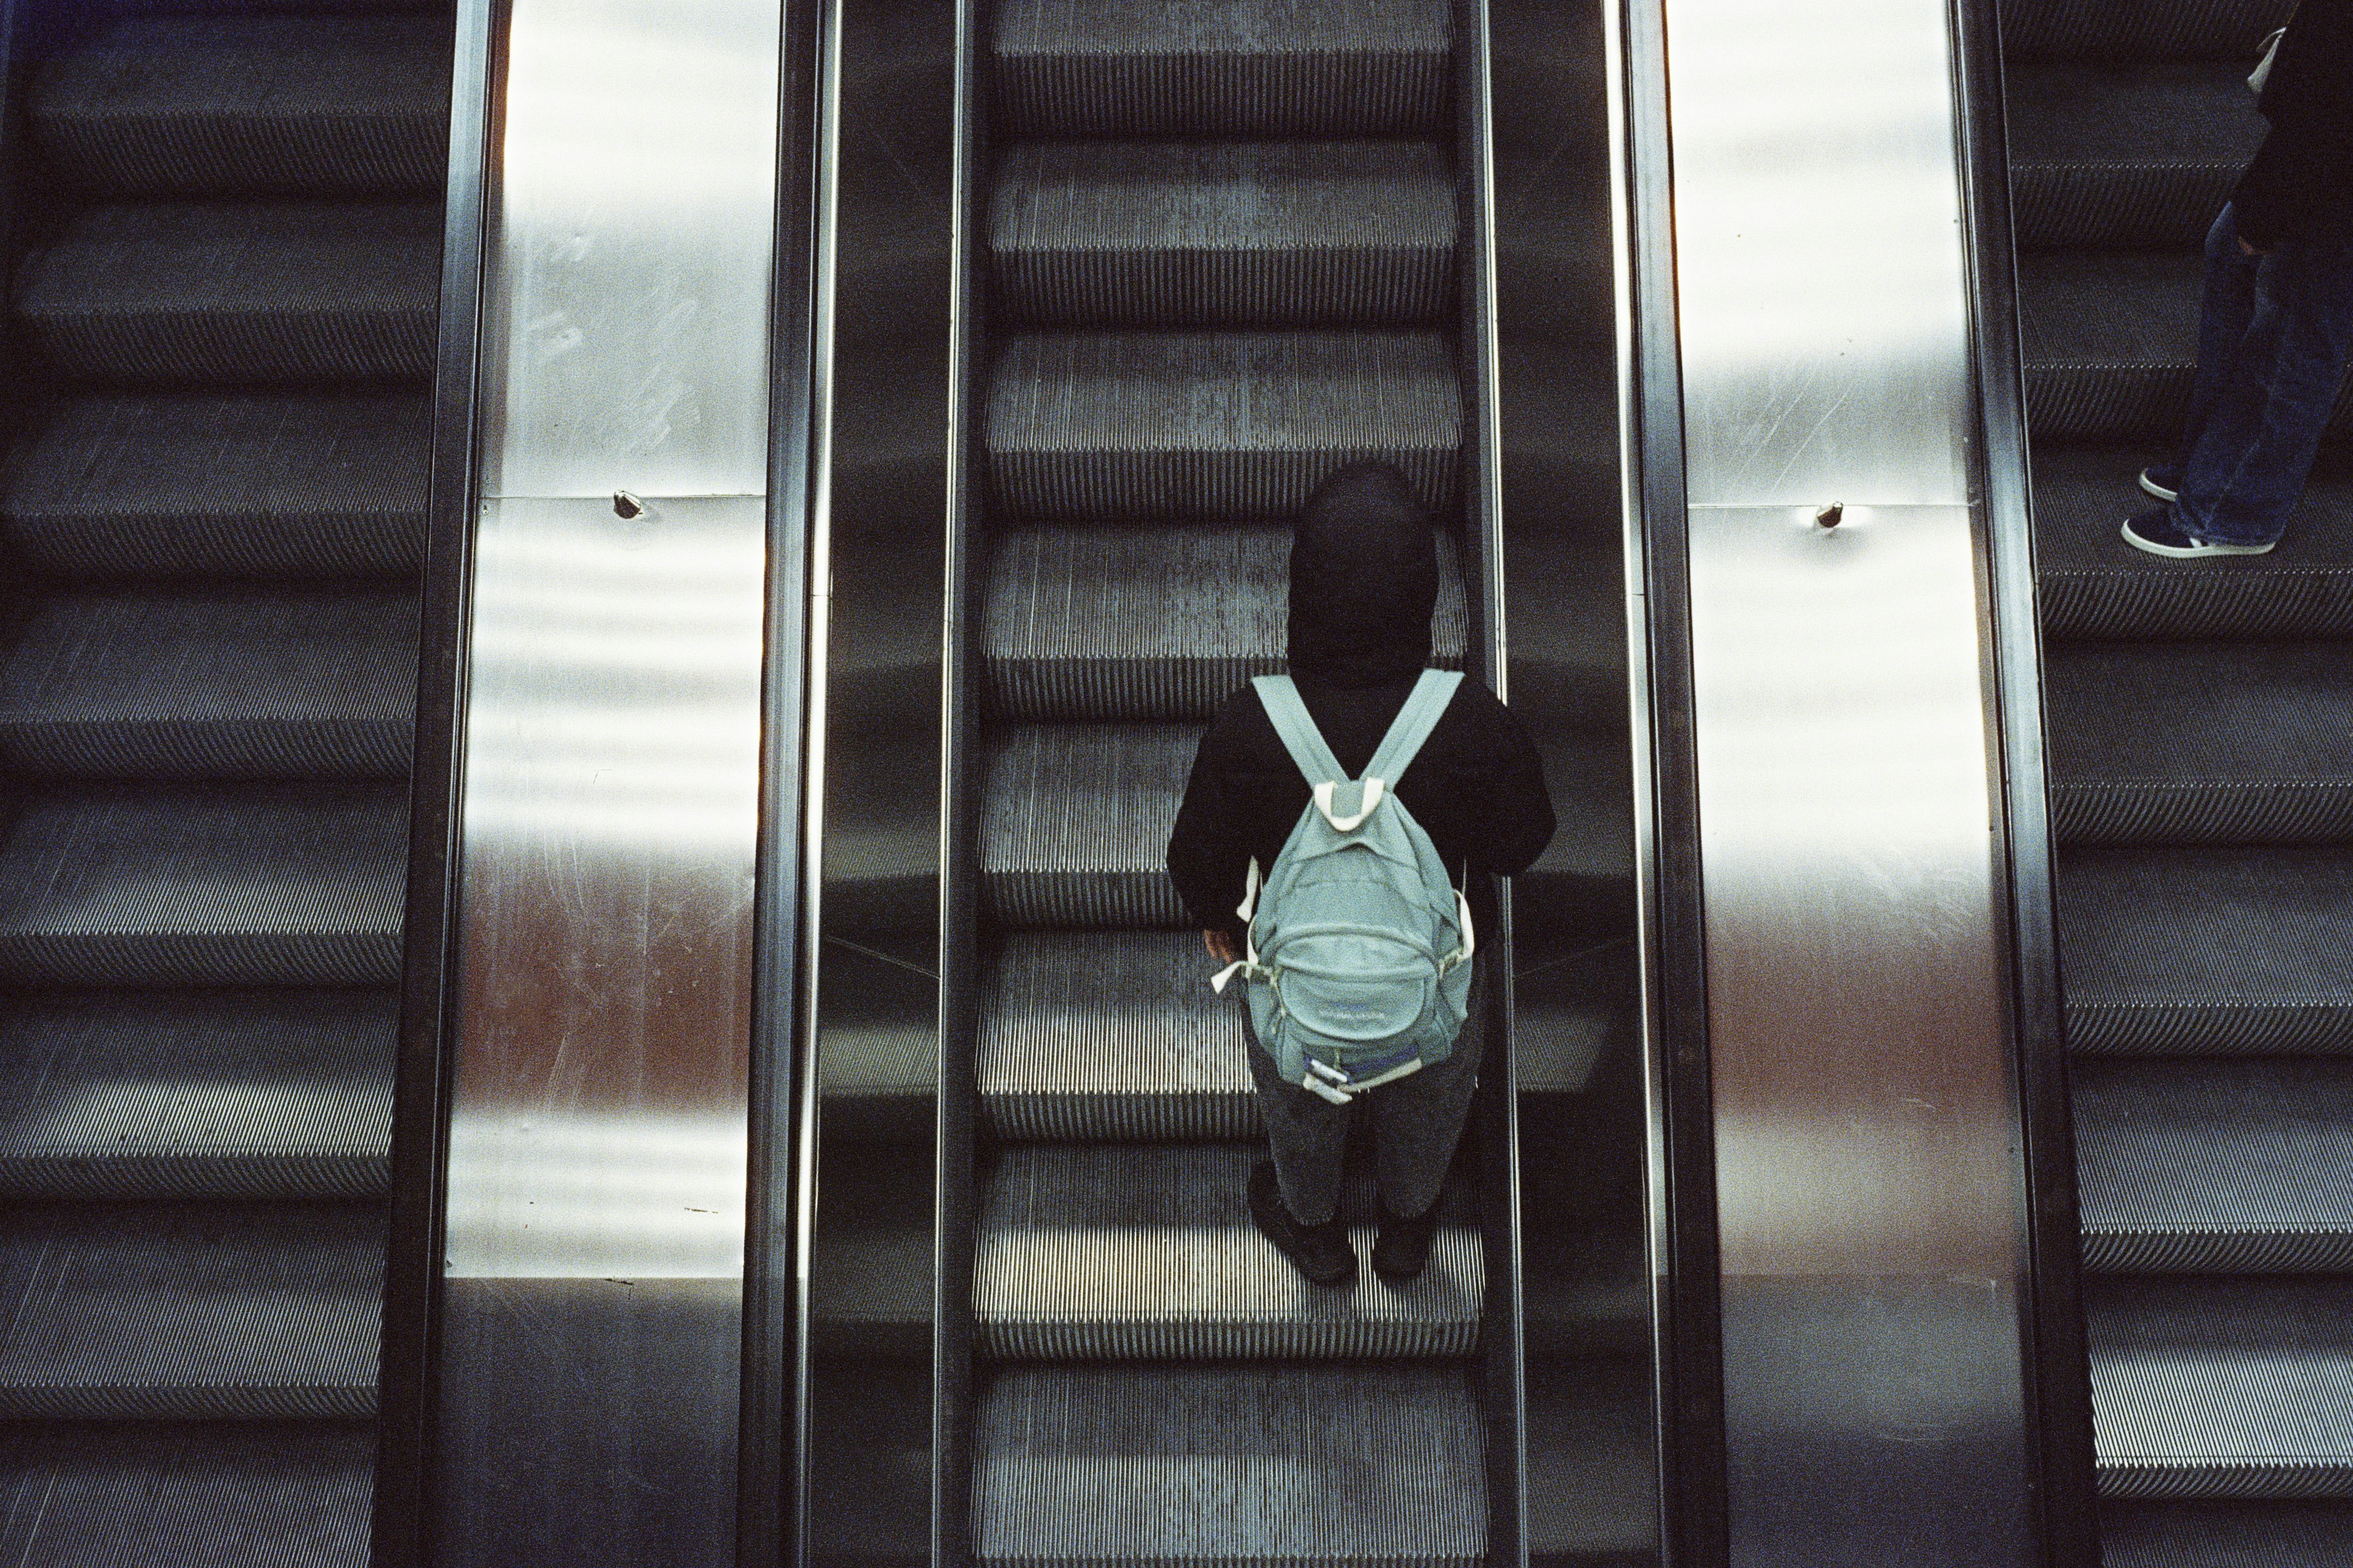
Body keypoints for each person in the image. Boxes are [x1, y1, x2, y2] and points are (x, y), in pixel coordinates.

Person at [1165, 461, 1554, 1288]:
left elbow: (1193, 863)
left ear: (1301, 593)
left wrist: (1221, 922)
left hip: (1298, 992)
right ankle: (1408, 1230)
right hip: (1433, 984)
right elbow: (1523, 843)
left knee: (1298, 1109)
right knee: (1429, 1104)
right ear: (1421, 592)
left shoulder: (1248, 723)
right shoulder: (1471, 719)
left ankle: (1315, 1233)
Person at [2126, 0, 2353, 558]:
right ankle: (2213, 461)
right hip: (2318, 142)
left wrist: (2269, 207)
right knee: (2236, 259)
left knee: (2300, 335)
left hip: (2333, 165)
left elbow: (2335, 111)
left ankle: (2234, 509)